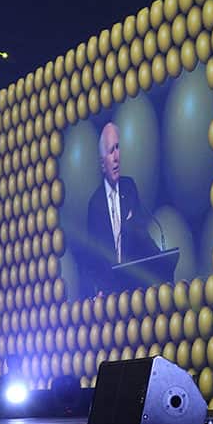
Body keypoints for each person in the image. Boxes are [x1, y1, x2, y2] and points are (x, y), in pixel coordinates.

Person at [84, 122, 159, 295]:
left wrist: (160, 258)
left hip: (134, 290)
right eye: (111, 151)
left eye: (118, 148)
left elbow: (142, 235)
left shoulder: (129, 188)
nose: (117, 157)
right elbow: (92, 259)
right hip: (109, 294)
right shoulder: (95, 204)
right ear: (102, 163)